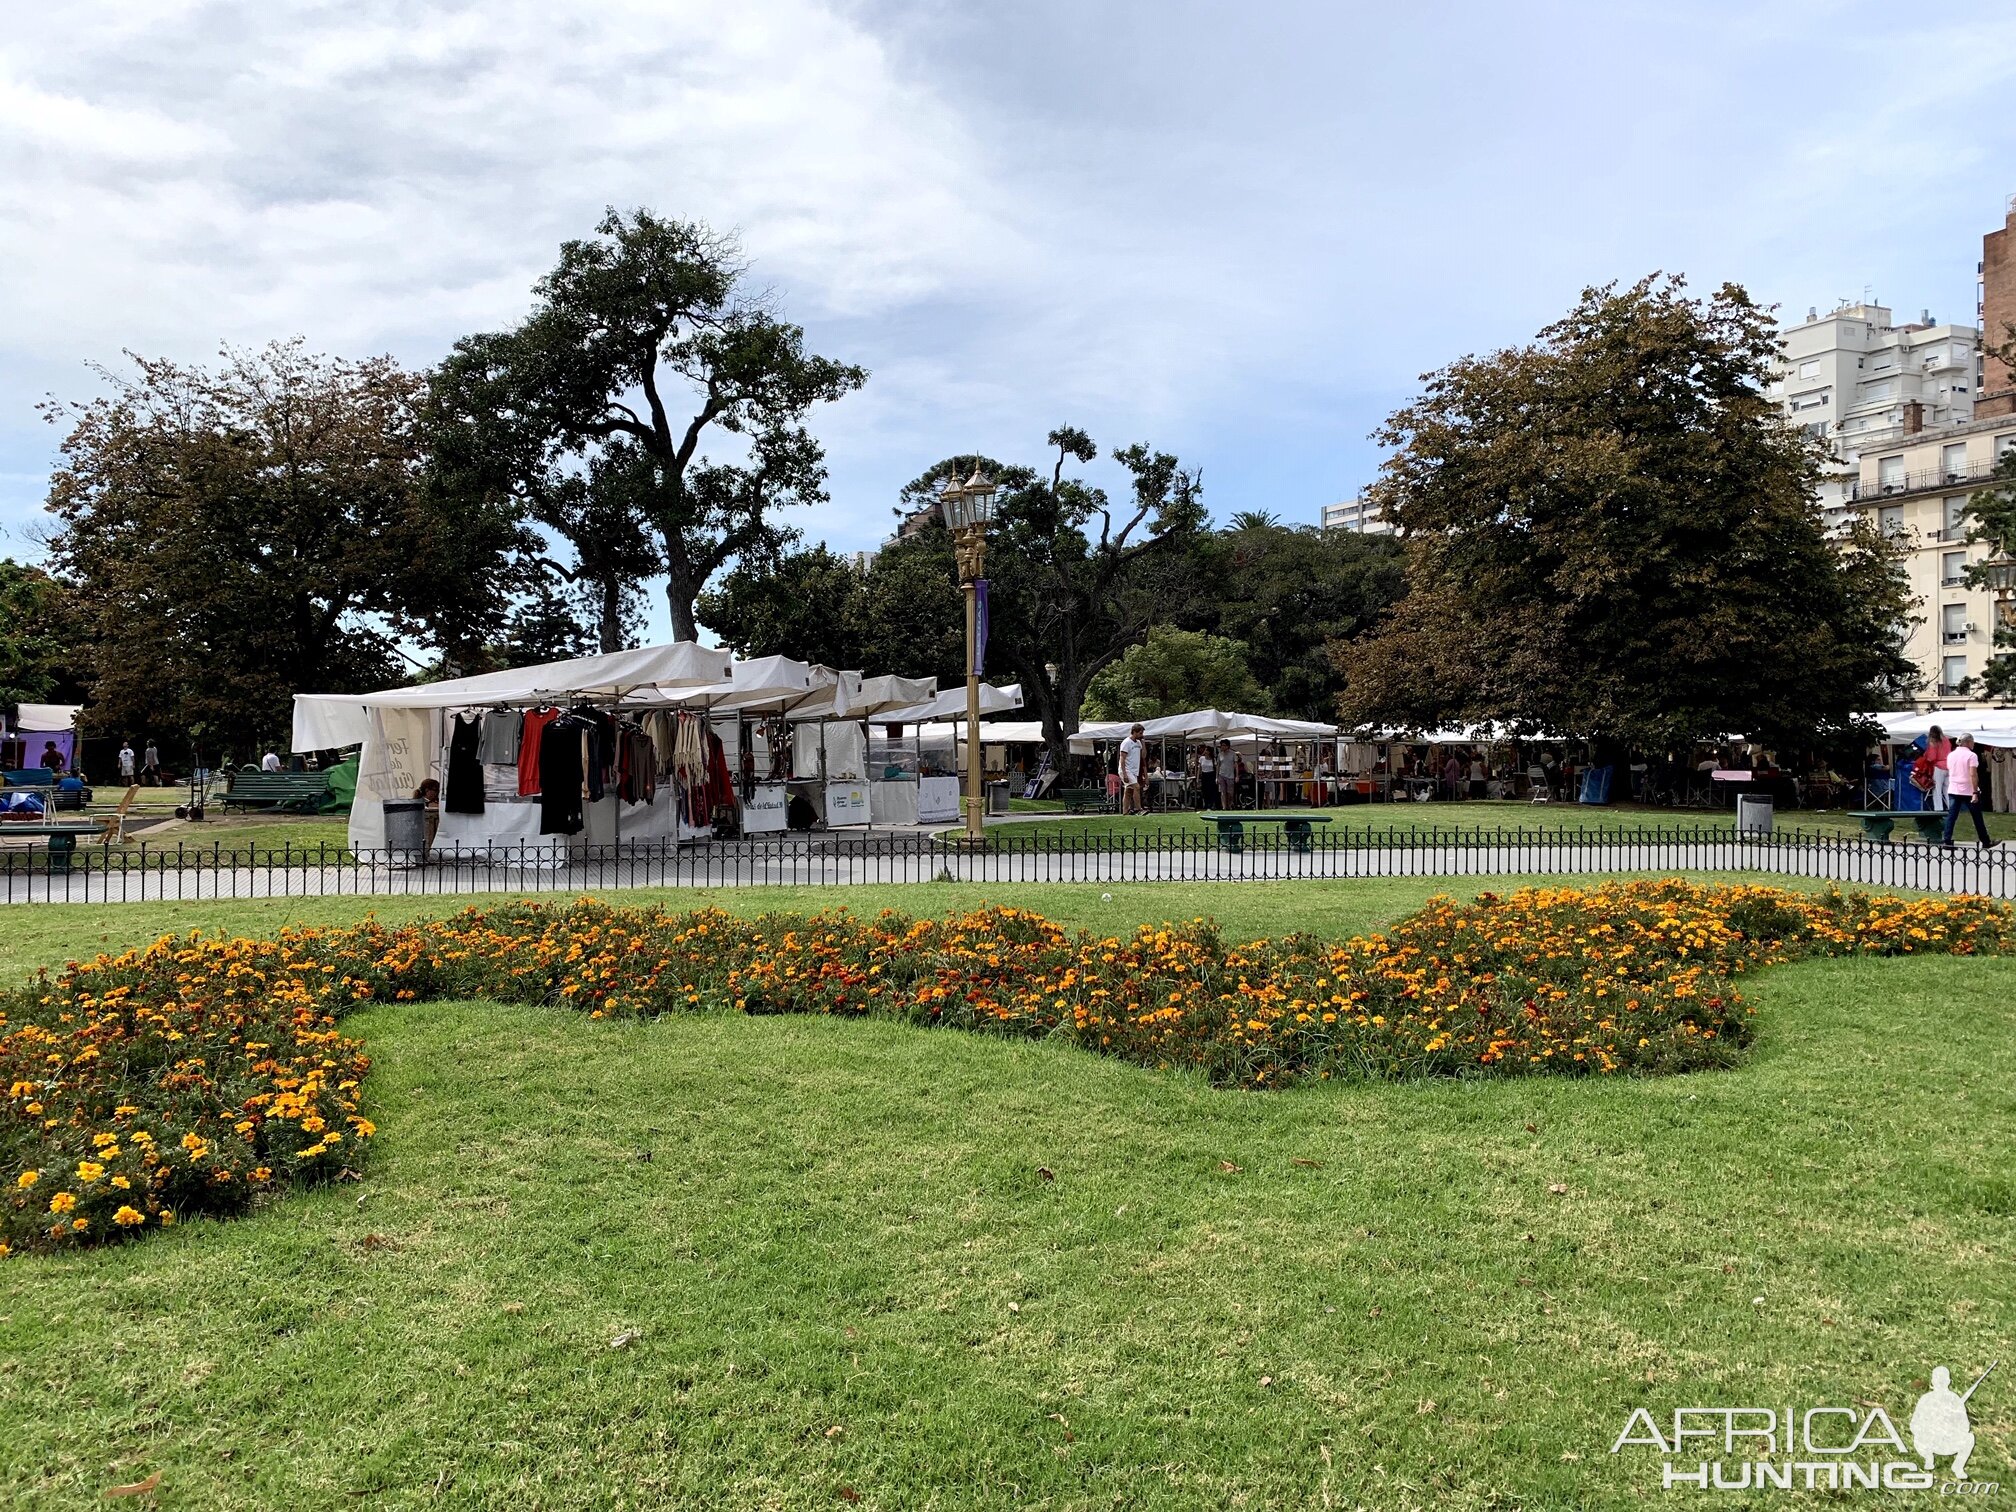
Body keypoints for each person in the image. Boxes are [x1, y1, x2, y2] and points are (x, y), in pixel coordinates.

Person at [1941, 734, 1996, 848]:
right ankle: (1985, 841)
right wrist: (1975, 792)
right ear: (1968, 742)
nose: (1973, 744)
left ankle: (1946, 839)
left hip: (1954, 788)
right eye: (1972, 741)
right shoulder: (1971, 755)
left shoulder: (1951, 755)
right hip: (1968, 790)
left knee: (1952, 816)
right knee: (1977, 817)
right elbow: (1973, 774)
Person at [1117, 725, 1146, 815]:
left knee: (1129, 790)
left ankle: (1125, 811)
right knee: (1136, 787)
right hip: (1126, 769)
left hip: (1134, 771)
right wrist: (1124, 773)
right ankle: (1139, 809)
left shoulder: (1138, 743)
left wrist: (1143, 743)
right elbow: (1122, 758)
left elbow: (1143, 756)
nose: (1142, 735)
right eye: (1140, 733)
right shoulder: (1126, 742)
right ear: (1134, 732)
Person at [1924, 724, 1952, 810]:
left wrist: (1926, 755)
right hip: (1948, 765)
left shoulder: (1933, 742)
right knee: (1948, 790)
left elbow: (1932, 758)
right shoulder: (1946, 740)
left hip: (1938, 767)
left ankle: (1938, 809)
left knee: (1937, 790)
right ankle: (1951, 807)